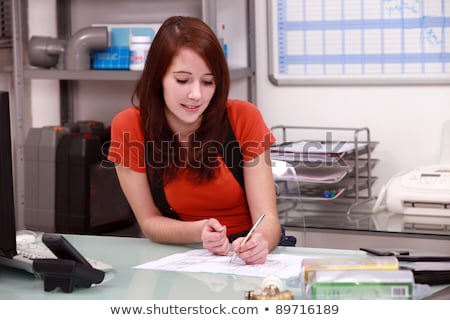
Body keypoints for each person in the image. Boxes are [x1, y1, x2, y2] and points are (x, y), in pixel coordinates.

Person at [108, 15, 282, 265]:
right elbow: (149, 222)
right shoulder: (129, 126)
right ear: (158, 78)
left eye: (208, 82)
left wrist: (259, 242)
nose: (196, 95)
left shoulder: (244, 117)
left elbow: (269, 221)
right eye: (182, 80)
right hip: (178, 256)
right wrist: (199, 232)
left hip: (244, 256)